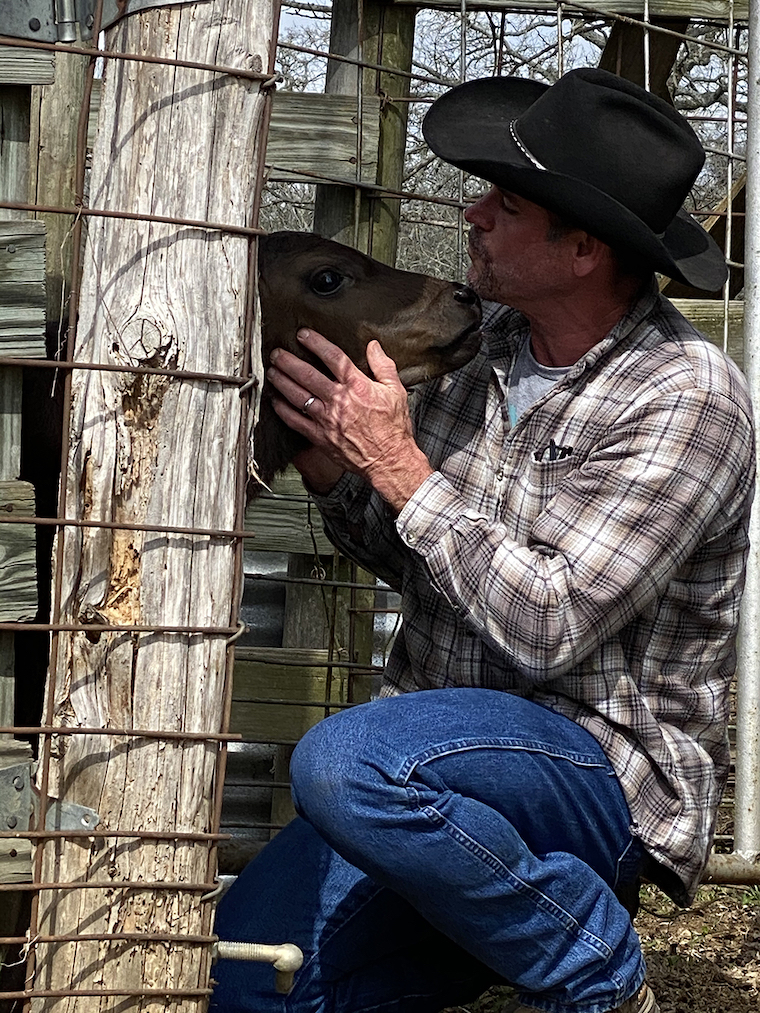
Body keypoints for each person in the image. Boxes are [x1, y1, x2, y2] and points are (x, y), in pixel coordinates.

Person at [210, 68, 755, 1013]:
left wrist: (400, 467)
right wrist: (337, 466)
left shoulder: (686, 398)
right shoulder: (483, 347)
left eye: (507, 205)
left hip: (593, 776)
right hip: (431, 782)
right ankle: (484, 930)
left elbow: (548, 625)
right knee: (245, 977)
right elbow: (416, 556)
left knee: (344, 762)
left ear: (582, 248)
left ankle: (595, 967)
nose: (474, 213)